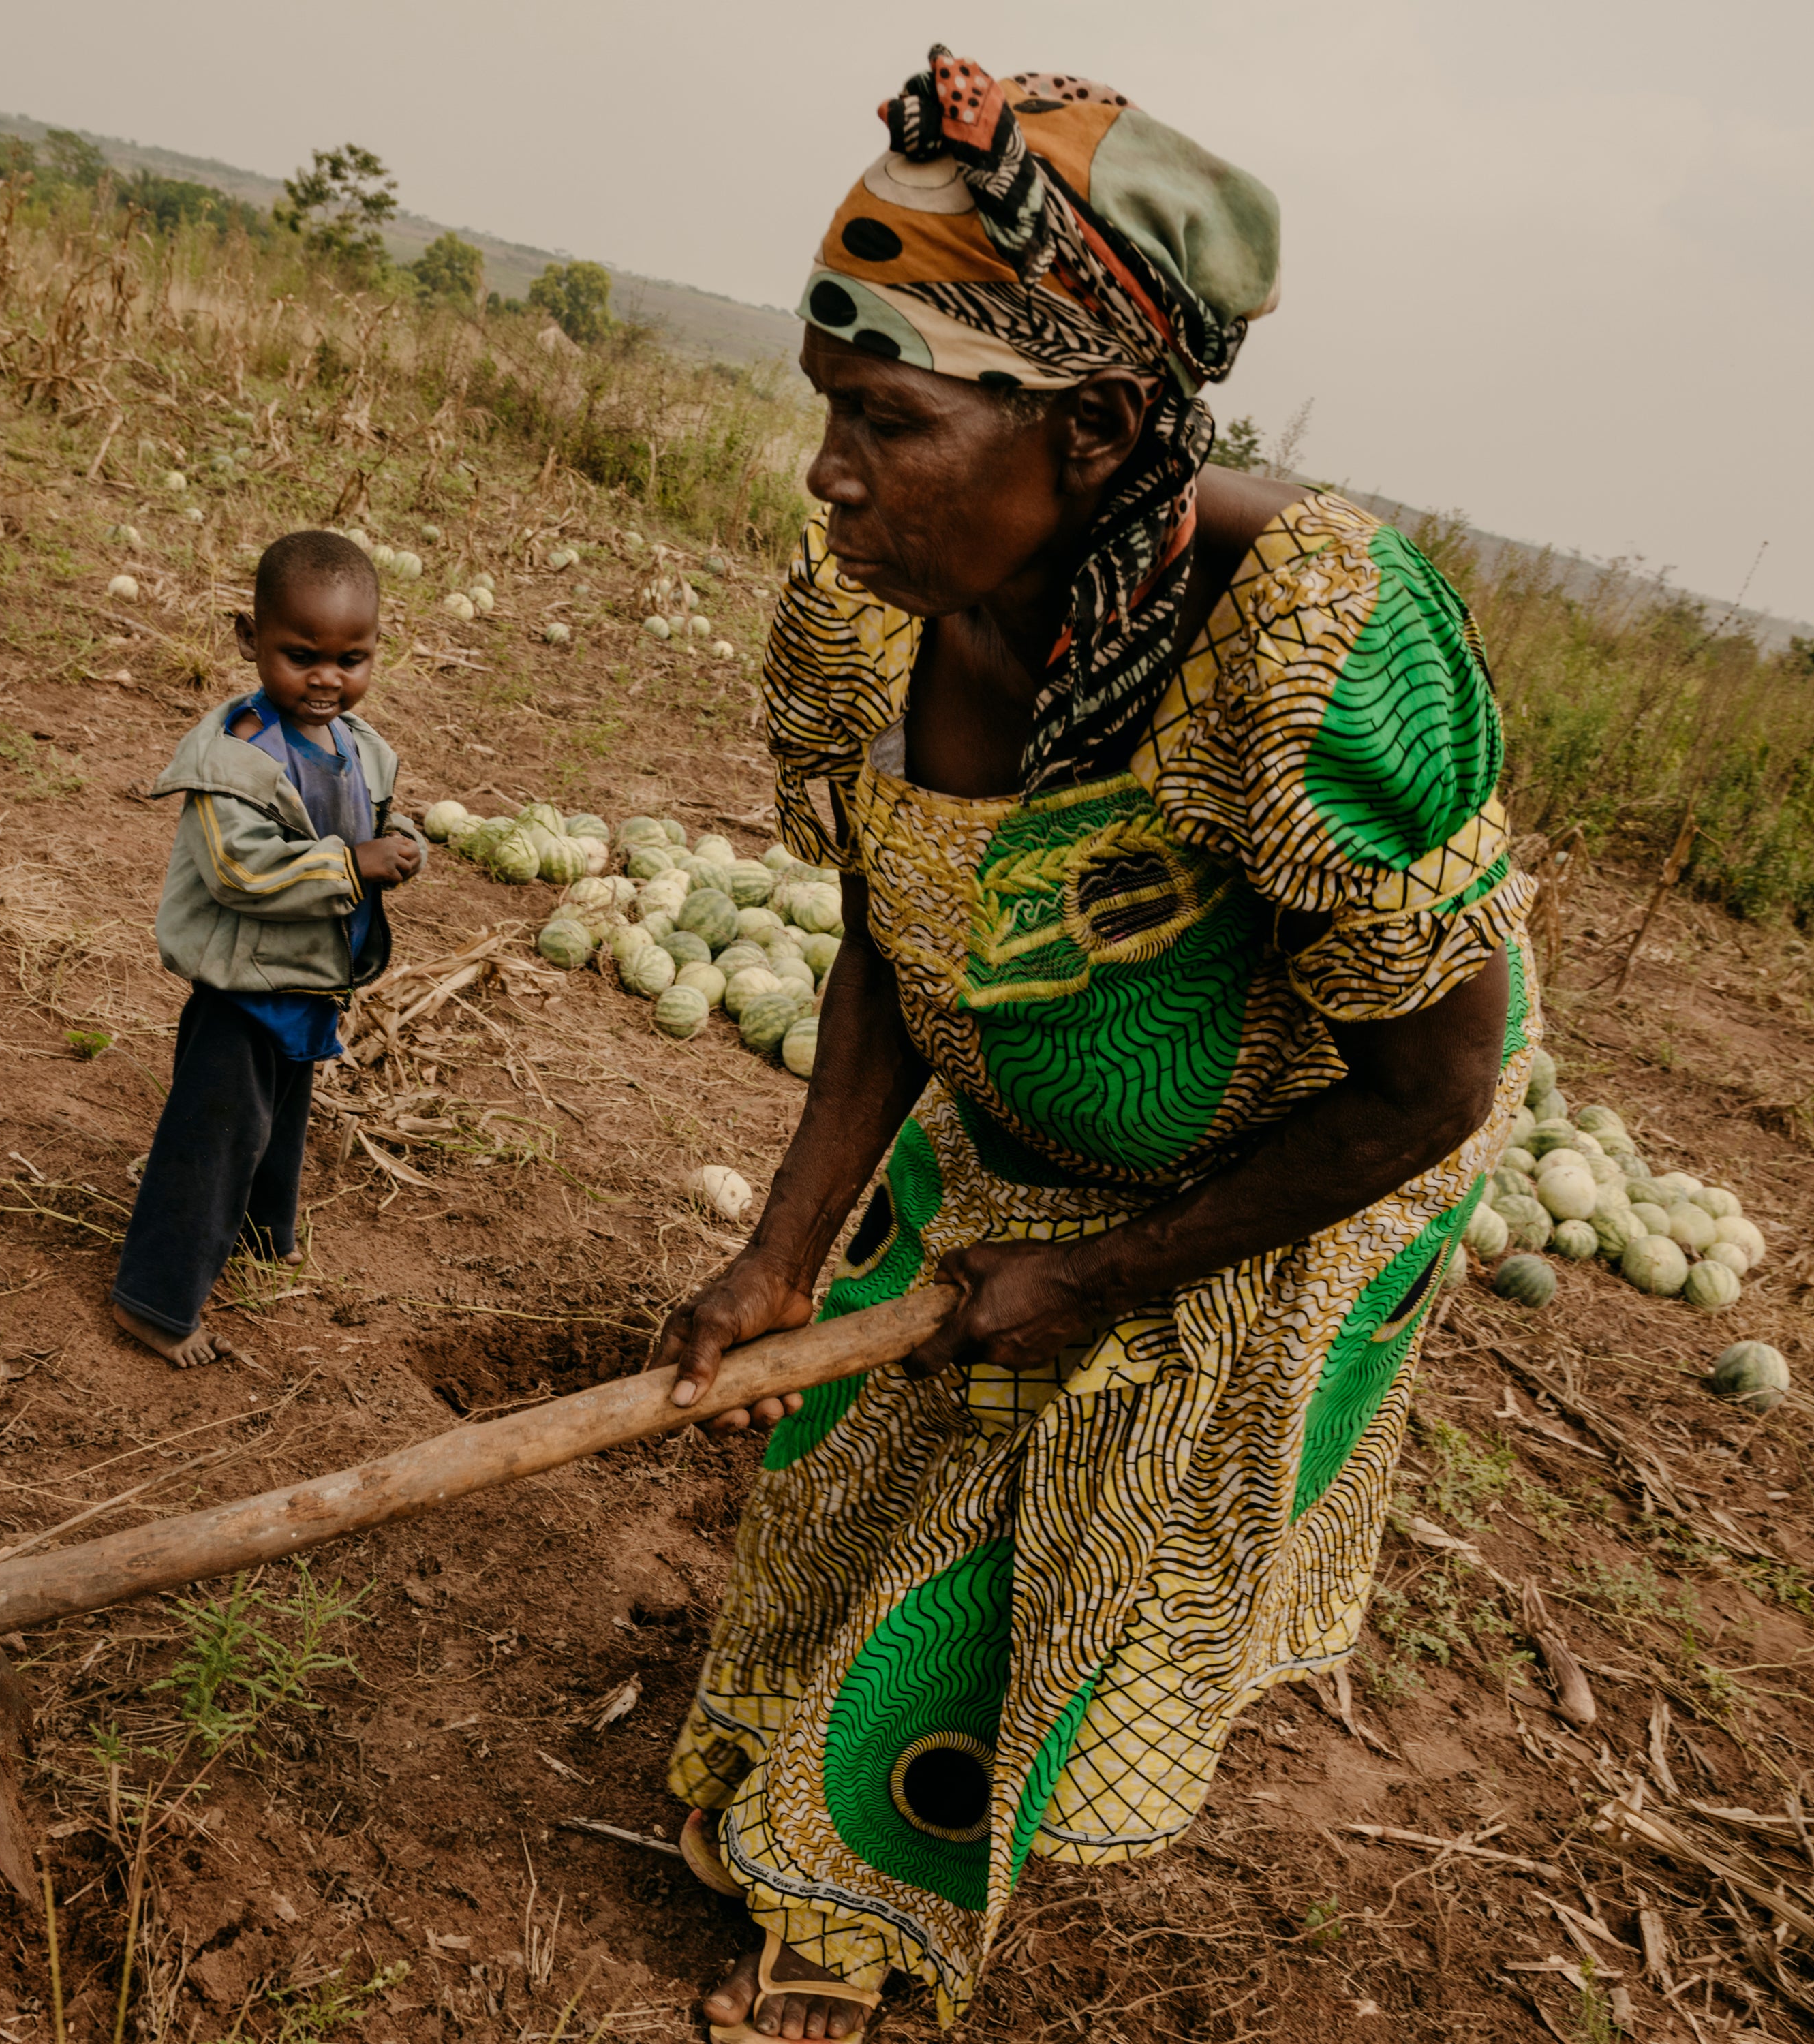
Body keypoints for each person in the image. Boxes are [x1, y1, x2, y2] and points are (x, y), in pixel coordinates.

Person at [651, 51, 1536, 2041]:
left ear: (1105, 421)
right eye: (826, 416)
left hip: (1261, 1174)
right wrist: (784, 1241)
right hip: (1012, 1121)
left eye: (885, 420)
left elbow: (1432, 1084)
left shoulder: (1304, 652)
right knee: (856, 1454)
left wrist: (1110, 1274)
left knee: (1034, 1547)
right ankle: (785, 1787)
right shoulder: (882, 604)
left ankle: (861, 1921)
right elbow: (897, 924)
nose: (827, 473)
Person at [109, 529, 425, 1367]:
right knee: (212, 1137)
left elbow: (369, 815)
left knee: (282, 1114)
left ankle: (258, 1232)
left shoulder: (357, 746)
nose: (327, 678)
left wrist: (396, 840)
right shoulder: (235, 757)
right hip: (240, 985)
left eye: (351, 658)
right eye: (300, 655)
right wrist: (354, 863)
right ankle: (156, 1299)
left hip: (307, 975)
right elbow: (238, 873)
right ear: (249, 640)